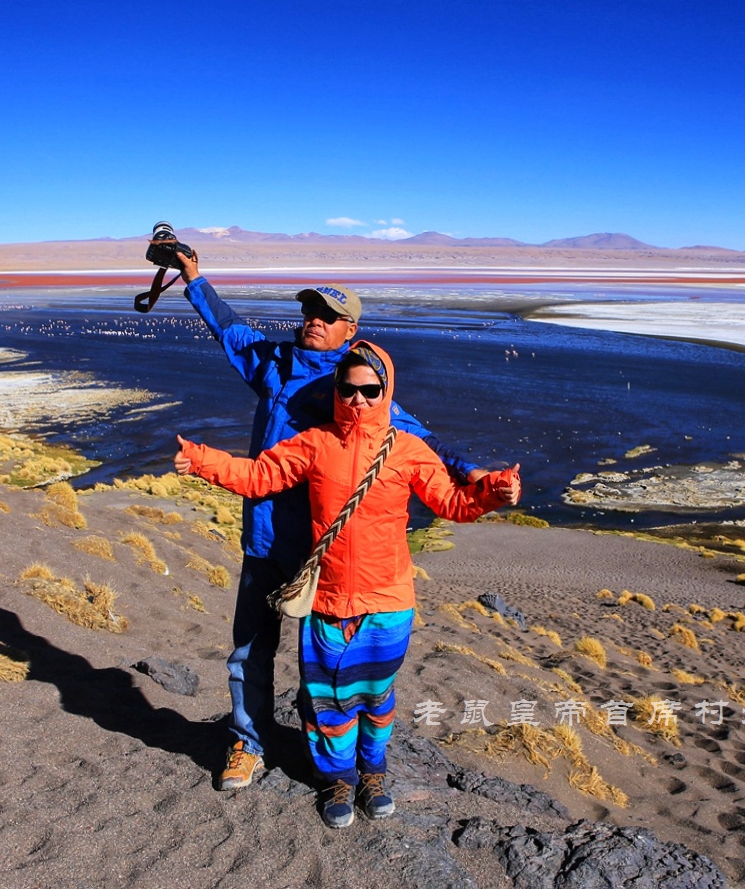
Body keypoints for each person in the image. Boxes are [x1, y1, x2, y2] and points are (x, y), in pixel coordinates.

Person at [157, 244, 519, 791]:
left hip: (317, 552)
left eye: (328, 317)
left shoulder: (357, 383)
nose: (314, 321)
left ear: (350, 330)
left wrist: (473, 474)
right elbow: (229, 330)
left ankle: (327, 761)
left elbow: (420, 441)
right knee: (249, 650)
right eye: (310, 311)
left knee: (321, 668)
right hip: (263, 536)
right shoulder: (275, 364)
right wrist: (193, 279)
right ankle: (248, 745)